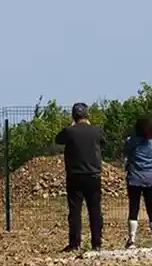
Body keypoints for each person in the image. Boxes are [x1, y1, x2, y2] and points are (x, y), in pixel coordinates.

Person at [54, 102, 106, 252]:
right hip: (94, 175)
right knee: (95, 209)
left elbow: (58, 139)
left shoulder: (69, 131)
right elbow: (104, 141)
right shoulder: (96, 131)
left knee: (75, 210)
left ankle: (75, 243)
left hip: (75, 176)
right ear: (87, 115)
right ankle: (97, 243)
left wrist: (72, 126)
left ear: (73, 116)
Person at [124, 116, 152, 248]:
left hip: (134, 178)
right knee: (151, 209)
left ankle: (132, 240)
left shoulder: (130, 141)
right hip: (151, 179)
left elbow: (126, 154)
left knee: (133, 209)